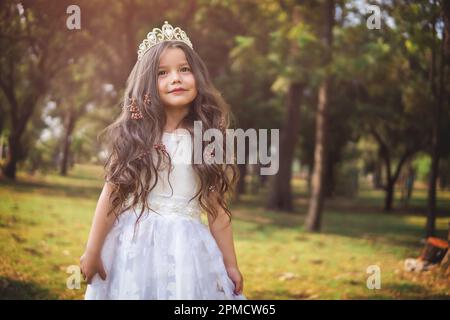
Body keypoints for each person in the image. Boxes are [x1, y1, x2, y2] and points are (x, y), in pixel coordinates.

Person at [80, 21, 246, 300]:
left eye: (184, 69)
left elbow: (217, 212)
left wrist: (230, 264)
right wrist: (93, 251)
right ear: (146, 84)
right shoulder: (134, 136)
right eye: (162, 73)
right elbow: (111, 195)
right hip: (133, 247)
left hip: (188, 251)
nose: (176, 78)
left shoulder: (207, 140)